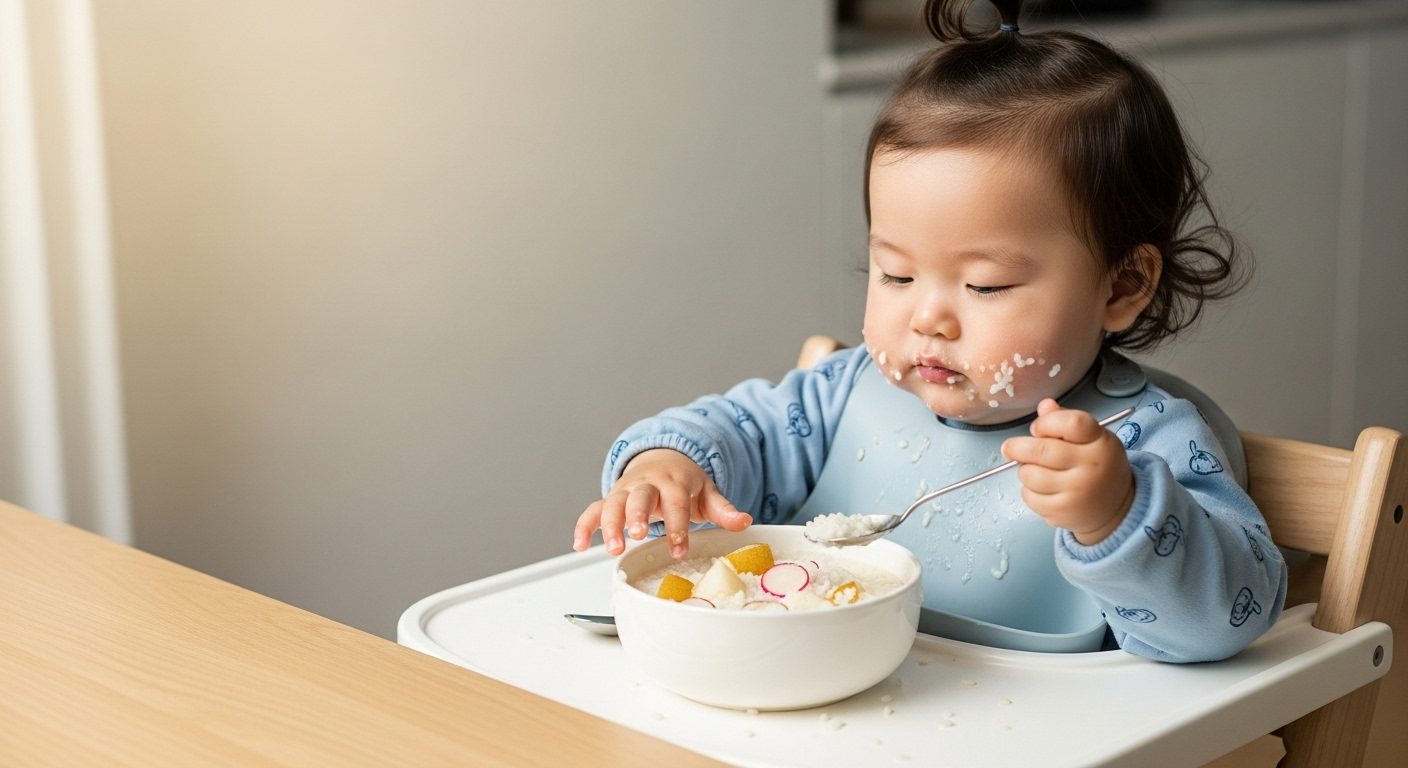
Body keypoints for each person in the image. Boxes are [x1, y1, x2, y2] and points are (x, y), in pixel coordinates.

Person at [572, 0, 1286, 663]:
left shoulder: (1146, 444)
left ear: (1123, 286)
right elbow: (735, 430)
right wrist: (668, 466)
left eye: (985, 285)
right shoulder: (841, 395)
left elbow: (1228, 619)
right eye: (896, 274)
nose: (927, 318)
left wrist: (1118, 516)